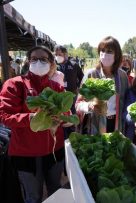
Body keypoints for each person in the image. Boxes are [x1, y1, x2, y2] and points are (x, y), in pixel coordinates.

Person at [0, 46, 70, 203]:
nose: (39, 62)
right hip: (26, 154)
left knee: (55, 191)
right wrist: (32, 117)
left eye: (43, 59)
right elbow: (5, 116)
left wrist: (64, 118)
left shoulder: (56, 87)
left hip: (53, 151)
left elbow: (67, 114)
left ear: (51, 64)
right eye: (34, 59)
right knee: (33, 197)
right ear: (28, 62)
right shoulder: (15, 85)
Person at [75, 36, 129, 134]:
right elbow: (78, 104)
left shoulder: (123, 76)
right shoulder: (91, 74)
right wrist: (89, 106)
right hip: (94, 124)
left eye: (109, 51)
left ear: (117, 55)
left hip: (116, 124)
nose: (105, 54)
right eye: (102, 50)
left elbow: (126, 101)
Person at [54, 45, 84, 113]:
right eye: (56, 54)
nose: (57, 56)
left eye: (59, 54)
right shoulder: (53, 66)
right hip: (58, 93)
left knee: (72, 108)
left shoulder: (74, 65)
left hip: (72, 92)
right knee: (60, 109)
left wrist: (78, 87)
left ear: (65, 54)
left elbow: (81, 77)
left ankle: (74, 123)